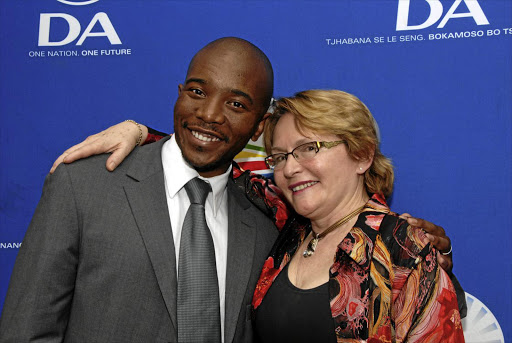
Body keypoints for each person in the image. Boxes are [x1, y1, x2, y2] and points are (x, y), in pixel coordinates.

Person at [0, 37, 279, 343]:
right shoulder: (82, 185)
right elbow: (26, 331)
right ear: (179, 94)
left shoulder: (264, 227)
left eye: (236, 104)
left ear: (259, 126)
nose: (210, 114)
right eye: (197, 92)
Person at [251, 90, 464, 342]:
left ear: (362, 154)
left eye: (309, 148)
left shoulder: (403, 250)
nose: (289, 168)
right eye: (280, 157)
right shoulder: (289, 229)